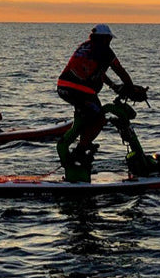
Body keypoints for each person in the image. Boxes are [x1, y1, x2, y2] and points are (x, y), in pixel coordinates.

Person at [56, 24, 146, 181]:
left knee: (85, 118)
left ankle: (81, 149)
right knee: (100, 118)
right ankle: (80, 151)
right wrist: (131, 89)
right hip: (81, 90)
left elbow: (98, 72)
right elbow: (120, 71)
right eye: (109, 38)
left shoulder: (85, 47)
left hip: (64, 87)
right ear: (105, 38)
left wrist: (113, 86)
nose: (110, 41)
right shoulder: (105, 50)